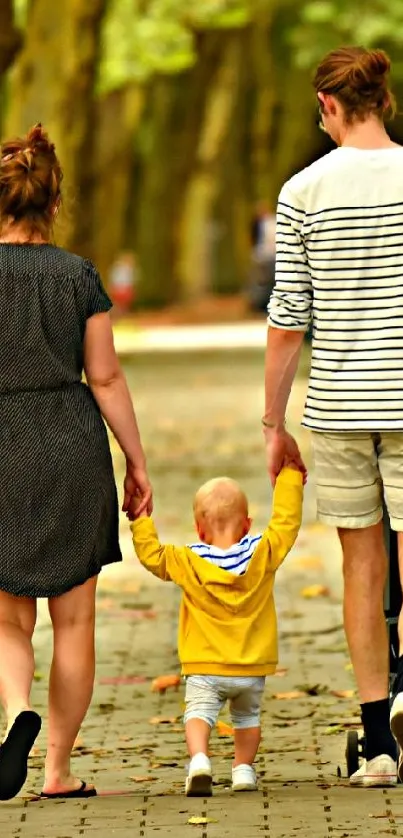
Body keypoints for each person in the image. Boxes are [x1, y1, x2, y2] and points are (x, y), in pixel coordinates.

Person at [263, 45, 403, 787]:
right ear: (381, 100)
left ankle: (377, 743)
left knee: (359, 567)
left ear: (327, 107)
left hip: (341, 404)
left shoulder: (302, 191)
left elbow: (288, 318)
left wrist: (271, 422)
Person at [0, 124, 152, 800]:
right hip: (68, 441)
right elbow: (108, 379)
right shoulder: (78, 276)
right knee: (75, 621)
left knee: (6, 618)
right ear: (53, 203)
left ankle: (13, 711)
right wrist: (136, 463)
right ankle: (57, 770)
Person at [130, 466, 303, 796]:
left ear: (198, 529)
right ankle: (244, 771)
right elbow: (287, 525)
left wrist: (140, 518)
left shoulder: (187, 560)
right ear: (247, 525)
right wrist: (290, 478)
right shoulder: (262, 553)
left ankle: (199, 760)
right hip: (251, 667)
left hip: (204, 667)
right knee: (247, 718)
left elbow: (152, 556)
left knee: (198, 714)